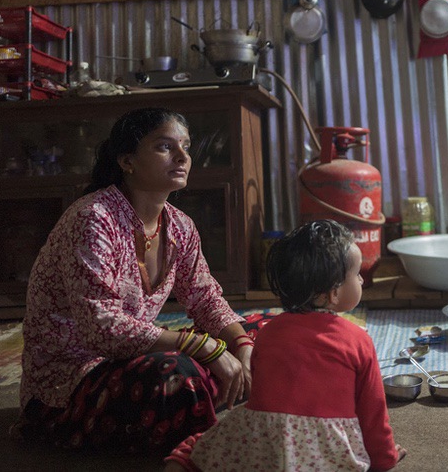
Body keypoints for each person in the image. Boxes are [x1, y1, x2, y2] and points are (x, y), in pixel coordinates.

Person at [14, 107, 272, 454]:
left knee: (271, 334)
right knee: (175, 375)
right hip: (74, 380)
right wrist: (201, 347)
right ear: (127, 161)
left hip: (132, 357)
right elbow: (101, 329)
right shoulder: (94, 219)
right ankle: (202, 413)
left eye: (186, 146)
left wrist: (242, 346)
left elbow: (205, 298)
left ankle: (214, 394)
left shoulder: (180, 225)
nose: (182, 157)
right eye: (165, 147)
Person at [164, 220, 406, 472]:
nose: (361, 281)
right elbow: (373, 415)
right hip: (326, 452)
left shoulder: (269, 333)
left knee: (198, 447)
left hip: (265, 446)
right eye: (357, 274)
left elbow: (263, 396)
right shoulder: (359, 340)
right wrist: (385, 458)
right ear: (332, 293)